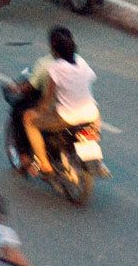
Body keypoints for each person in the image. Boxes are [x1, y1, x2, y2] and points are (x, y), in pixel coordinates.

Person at [21, 25, 100, 177]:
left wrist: (37, 110)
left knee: (29, 119)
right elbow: (90, 79)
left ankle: (43, 163)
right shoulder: (82, 61)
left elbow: (48, 98)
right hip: (93, 115)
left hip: (67, 116)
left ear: (54, 49)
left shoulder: (56, 68)